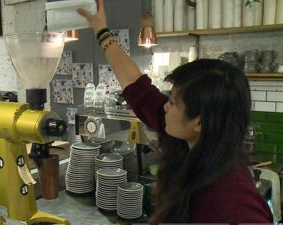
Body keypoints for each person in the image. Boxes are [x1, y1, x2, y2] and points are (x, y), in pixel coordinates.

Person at [78, 1, 273, 224]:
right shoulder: (186, 140)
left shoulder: (231, 198)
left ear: (199, 122)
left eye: (172, 101)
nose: (164, 106)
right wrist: (101, 30)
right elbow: (137, 88)